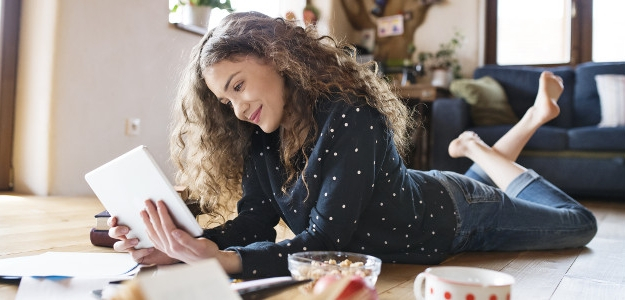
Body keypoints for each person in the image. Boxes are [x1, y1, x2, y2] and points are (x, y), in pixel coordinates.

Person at [108, 11, 597, 279]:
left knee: (579, 225)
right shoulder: (261, 138)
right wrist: (186, 245)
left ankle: (502, 137)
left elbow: (326, 244)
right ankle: (479, 149)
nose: (235, 108)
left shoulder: (350, 117)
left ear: (276, 58)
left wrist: (224, 261)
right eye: (223, 100)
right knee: (476, 179)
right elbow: (254, 222)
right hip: (431, 196)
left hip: (460, 215)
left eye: (238, 86)